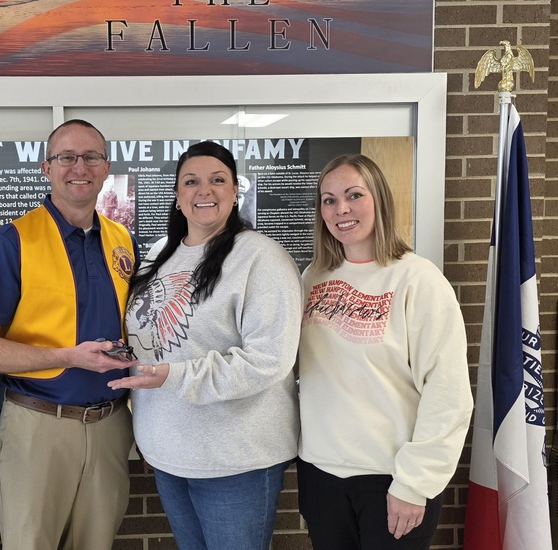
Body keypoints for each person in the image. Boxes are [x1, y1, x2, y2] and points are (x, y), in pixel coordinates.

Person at [107, 141, 301, 549]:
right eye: (191, 181)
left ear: (234, 193)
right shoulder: (161, 254)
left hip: (234, 458)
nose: (204, 190)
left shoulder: (262, 258)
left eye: (218, 180)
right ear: (177, 196)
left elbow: (268, 360)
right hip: (169, 453)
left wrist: (174, 377)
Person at [0, 119, 137, 550]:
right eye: (66, 157)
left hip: (111, 426)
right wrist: (68, 357)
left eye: (91, 156)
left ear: (106, 166)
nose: (80, 166)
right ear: (46, 168)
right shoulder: (10, 243)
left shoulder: (122, 241)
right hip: (39, 425)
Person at [297, 154, 473, 549]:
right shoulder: (314, 276)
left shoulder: (418, 280)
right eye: (328, 199)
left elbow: (449, 393)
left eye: (353, 195)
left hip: (391, 478)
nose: (340, 209)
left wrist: (415, 483)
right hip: (321, 475)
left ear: (379, 199)